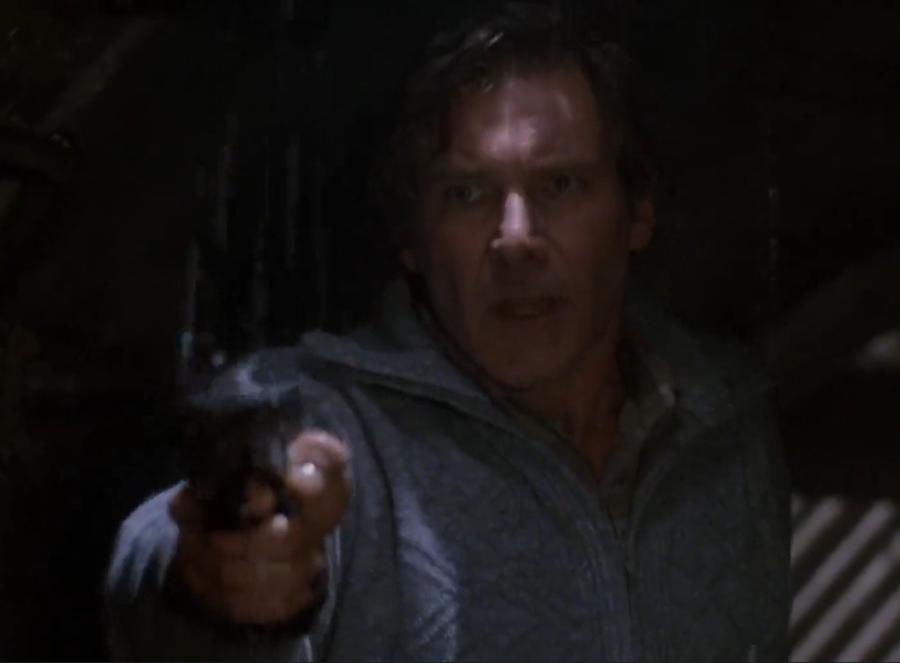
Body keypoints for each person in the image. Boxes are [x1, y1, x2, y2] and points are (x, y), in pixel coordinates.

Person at [105, 4, 791, 661]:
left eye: (561, 185)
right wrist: (210, 578)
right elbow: (165, 565)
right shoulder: (335, 428)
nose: (515, 238)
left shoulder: (725, 423)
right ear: (414, 237)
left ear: (636, 212)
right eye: (466, 193)